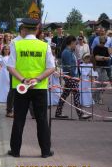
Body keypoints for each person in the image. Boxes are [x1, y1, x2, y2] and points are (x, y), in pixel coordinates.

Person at [7, 18, 55, 158]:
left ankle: (15, 151)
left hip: (21, 87)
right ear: (37, 29)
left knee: (19, 119)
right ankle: (45, 151)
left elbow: (10, 66)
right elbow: (51, 67)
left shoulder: (16, 44)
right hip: (39, 87)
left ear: (24, 29)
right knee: (41, 120)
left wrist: (23, 79)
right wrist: (38, 79)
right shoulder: (44, 46)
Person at [55, 35, 91, 119]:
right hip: (70, 76)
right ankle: (80, 114)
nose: (76, 45)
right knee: (76, 94)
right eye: (75, 43)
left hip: (70, 76)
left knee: (64, 95)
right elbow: (69, 66)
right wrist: (74, 77)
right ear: (71, 43)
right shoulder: (67, 52)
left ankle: (58, 113)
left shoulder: (69, 52)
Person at [93, 36, 111, 104]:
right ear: (99, 41)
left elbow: (109, 57)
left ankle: (96, 95)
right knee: (98, 83)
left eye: (104, 42)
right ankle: (98, 98)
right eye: (101, 42)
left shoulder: (106, 48)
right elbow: (96, 57)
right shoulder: (96, 48)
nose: (103, 43)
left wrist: (107, 57)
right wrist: (104, 58)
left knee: (105, 82)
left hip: (104, 67)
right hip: (98, 67)